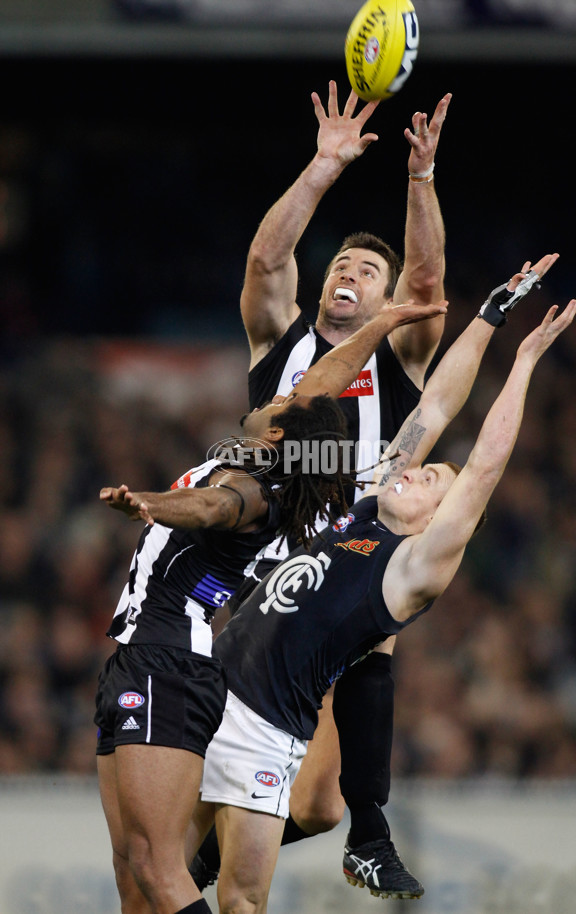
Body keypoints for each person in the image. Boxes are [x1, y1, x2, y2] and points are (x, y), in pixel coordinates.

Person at [186, 265, 576, 914]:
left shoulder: (412, 565)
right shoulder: (371, 506)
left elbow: (483, 467)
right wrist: (491, 317)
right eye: (422, 470)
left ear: (439, 520)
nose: (416, 473)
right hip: (217, 683)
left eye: (431, 483)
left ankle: (361, 831)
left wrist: (527, 361)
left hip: (265, 720)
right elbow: (435, 407)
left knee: (236, 900)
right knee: (154, 875)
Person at [94, 298, 445, 914]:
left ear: (280, 434)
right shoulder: (274, 459)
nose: (273, 399)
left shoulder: (254, 487)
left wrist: (146, 503)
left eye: (280, 406)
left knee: (158, 868)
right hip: (145, 653)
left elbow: (209, 510)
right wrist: (383, 324)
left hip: (169, 655)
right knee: (135, 877)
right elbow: (322, 386)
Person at [191, 78, 452, 896]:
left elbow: (427, 279)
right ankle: (367, 833)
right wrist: (323, 165)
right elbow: (269, 261)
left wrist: (419, 180)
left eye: (368, 270)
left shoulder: (396, 357)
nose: (351, 272)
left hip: (346, 560)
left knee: (318, 806)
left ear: (384, 298)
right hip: (267, 573)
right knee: (373, 641)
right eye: (342, 262)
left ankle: (193, 872)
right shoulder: (280, 342)